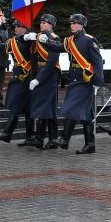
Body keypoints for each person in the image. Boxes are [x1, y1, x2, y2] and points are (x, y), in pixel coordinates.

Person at [58, 14, 104, 154]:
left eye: (75, 23)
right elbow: (57, 47)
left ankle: (64, 139)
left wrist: (98, 81)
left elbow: (97, 62)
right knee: (86, 114)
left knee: (72, 107)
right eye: (71, 23)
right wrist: (45, 40)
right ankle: (90, 144)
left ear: (82, 25)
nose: (72, 25)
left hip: (85, 81)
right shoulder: (71, 40)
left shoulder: (89, 40)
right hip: (74, 80)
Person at [26, 14, 64, 149]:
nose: (41, 24)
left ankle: (44, 138)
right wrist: (25, 38)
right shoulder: (37, 37)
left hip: (49, 76)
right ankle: (46, 138)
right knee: (46, 107)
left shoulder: (54, 38)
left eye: (44, 22)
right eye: (41, 22)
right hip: (40, 73)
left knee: (46, 106)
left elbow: (52, 62)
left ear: (51, 25)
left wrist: (38, 79)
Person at [0, 19, 35, 145]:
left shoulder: (28, 40)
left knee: (18, 106)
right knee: (27, 109)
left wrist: (30, 38)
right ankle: (29, 137)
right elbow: (1, 46)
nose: (16, 28)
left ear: (25, 28)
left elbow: (34, 52)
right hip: (18, 78)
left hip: (27, 78)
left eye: (19, 26)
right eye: (15, 26)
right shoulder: (13, 41)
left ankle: (7, 133)